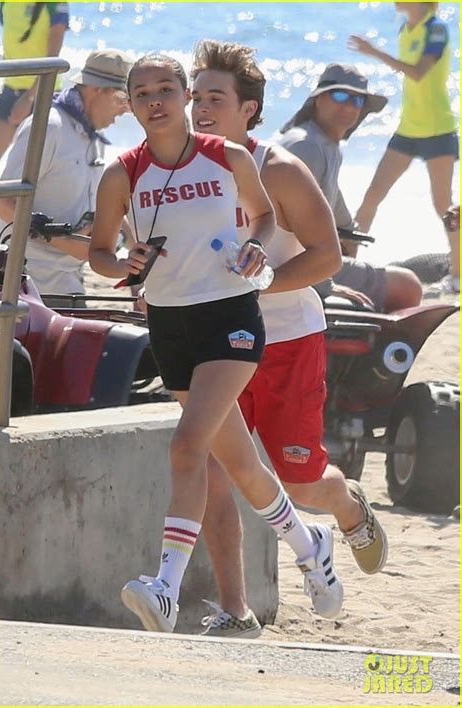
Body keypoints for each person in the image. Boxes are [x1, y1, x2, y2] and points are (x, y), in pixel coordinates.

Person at [89, 52, 345, 634]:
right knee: (240, 464)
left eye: (169, 90)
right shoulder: (122, 173)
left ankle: (166, 589)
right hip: (171, 325)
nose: (159, 101)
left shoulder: (238, 159)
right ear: (129, 106)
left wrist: (257, 256)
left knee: (188, 446)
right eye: (142, 93)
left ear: (182, 97)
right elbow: (104, 253)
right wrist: (121, 265)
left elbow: (272, 223)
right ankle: (307, 545)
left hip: (236, 320)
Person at [190, 39, 388, 638]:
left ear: (248, 109)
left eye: (214, 99)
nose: (199, 108)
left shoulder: (278, 168)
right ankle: (236, 612)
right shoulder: (182, 164)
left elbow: (328, 258)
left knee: (299, 481)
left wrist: (258, 288)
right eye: (194, 95)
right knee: (212, 474)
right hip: (216, 343)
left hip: (287, 341)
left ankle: (349, 509)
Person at [279, 62, 422, 312]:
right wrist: (326, 283)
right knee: (407, 286)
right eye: (340, 95)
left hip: (309, 258)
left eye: (357, 101)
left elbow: (338, 214)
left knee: (354, 248)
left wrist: (350, 239)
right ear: (318, 99)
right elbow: (286, 228)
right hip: (290, 264)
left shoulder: (328, 145)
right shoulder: (306, 147)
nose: (348, 106)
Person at [0, 49, 131, 304]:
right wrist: (66, 241)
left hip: (71, 285)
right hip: (27, 287)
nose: (125, 111)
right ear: (98, 90)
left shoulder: (93, 136)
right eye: (122, 100)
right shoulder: (48, 126)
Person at [349, 2, 459, 294]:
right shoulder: (405, 29)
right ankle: (346, 263)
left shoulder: (436, 30)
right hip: (408, 128)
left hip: (438, 129)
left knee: (444, 206)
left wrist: (374, 52)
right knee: (373, 194)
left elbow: (419, 72)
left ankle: (457, 275)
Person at [0, 2, 70, 179]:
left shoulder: (55, 3)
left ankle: (28, 208)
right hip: (11, 88)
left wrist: (29, 97)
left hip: (45, 92)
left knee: (36, 174)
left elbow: (52, 57)